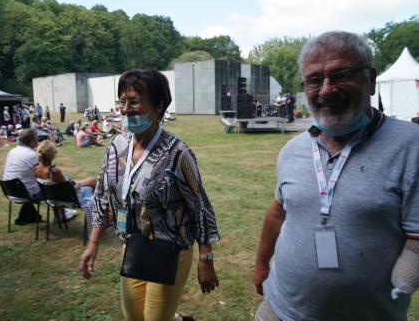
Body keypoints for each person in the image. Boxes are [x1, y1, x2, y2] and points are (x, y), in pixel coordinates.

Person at [254, 31, 419, 321]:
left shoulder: (411, 145)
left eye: (341, 74)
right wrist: (260, 263)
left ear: (370, 79)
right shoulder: (292, 150)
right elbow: (278, 212)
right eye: (315, 80)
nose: (327, 90)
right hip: (278, 309)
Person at [79, 69, 220, 321]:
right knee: (133, 316)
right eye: (122, 101)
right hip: (133, 246)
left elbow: (200, 207)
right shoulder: (116, 147)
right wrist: (93, 243)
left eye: (134, 101)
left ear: (158, 106)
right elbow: (102, 196)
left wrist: (206, 259)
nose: (125, 109)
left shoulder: (177, 153)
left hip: (169, 251)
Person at [34, 140, 97, 224]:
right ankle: (99, 212)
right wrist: (77, 185)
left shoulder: (35, 169)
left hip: (52, 197)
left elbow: (59, 185)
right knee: (93, 182)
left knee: (91, 180)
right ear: (52, 155)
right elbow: (68, 190)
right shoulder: (54, 172)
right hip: (69, 198)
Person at [3, 129, 42, 224]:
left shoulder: (12, 151)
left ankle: (29, 216)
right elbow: (42, 175)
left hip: (10, 191)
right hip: (25, 193)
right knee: (51, 187)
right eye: (37, 139)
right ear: (32, 141)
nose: (38, 141)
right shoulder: (32, 155)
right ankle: (60, 215)